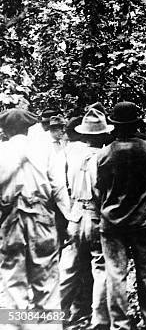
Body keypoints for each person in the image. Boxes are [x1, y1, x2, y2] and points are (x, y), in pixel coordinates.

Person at [96, 102, 146, 330]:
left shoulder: (104, 154)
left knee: (115, 275)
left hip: (112, 223)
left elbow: (100, 189)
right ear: (137, 123)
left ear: (115, 126)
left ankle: (120, 325)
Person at [0, 109, 70, 323]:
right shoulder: (45, 148)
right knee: (46, 280)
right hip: (40, 214)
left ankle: (14, 326)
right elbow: (58, 186)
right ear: (29, 127)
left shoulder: (1, 151)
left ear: (5, 130)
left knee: (13, 281)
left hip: (9, 215)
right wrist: (69, 218)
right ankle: (48, 327)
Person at [60, 108, 112, 330]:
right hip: (94, 213)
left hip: (75, 214)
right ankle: (99, 320)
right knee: (100, 267)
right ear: (101, 135)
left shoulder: (71, 153)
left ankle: (55, 316)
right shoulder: (103, 157)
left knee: (68, 267)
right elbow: (103, 191)